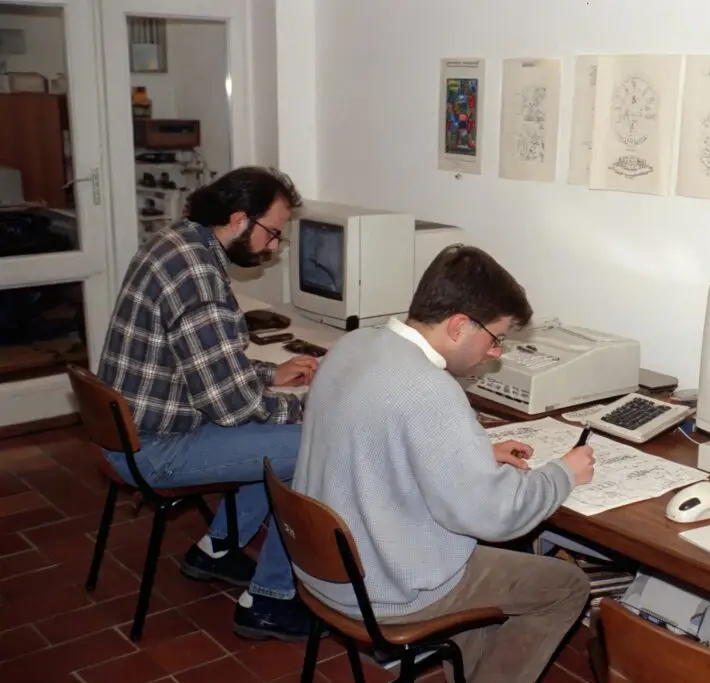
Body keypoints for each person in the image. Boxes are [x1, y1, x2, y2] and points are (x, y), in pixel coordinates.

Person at [292, 244, 595, 682]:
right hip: (388, 588)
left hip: (324, 568)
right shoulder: (430, 389)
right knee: (566, 586)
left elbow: (370, 439)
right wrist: (564, 473)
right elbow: (494, 516)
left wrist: (474, 455)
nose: (496, 353)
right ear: (458, 325)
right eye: (496, 338)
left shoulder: (355, 344)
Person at [97, 166, 319, 641]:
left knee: (278, 442)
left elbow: (199, 367)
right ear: (240, 219)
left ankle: (217, 549)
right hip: (154, 447)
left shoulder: (178, 241)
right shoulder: (197, 273)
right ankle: (269, 602)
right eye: (273, 234)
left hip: (133, 428)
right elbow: (231, 407)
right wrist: (311, 410)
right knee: (312, 448)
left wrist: (268, 374)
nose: (274, 248)